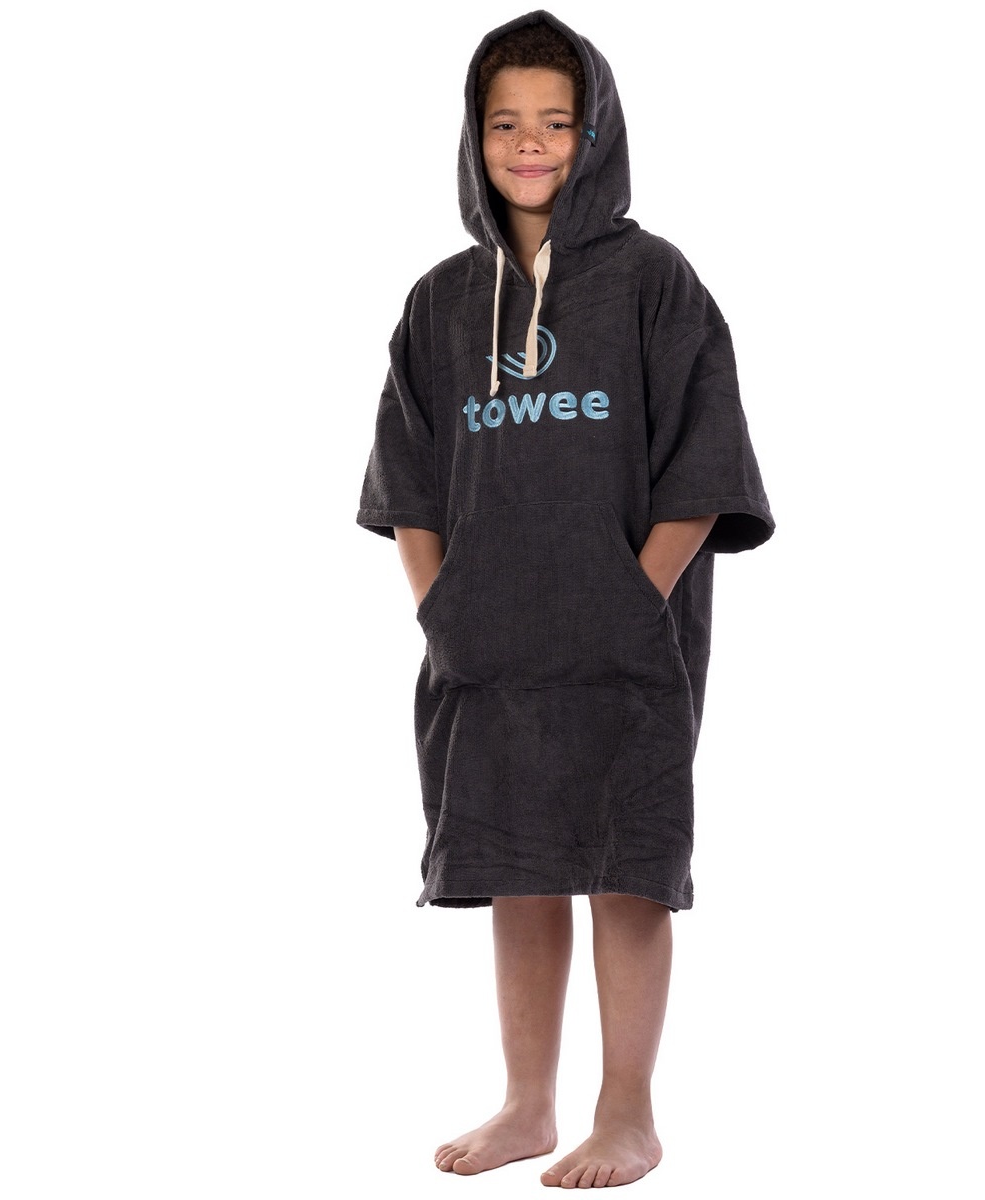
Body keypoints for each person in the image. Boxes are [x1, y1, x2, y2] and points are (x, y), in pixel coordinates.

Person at [356, 10, 774, 1188]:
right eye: (506, 124)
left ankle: (627, 1113)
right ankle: (527, 1104)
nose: (530, 143)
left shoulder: (652, 280)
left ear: (596, 136)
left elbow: (703, 463)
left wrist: (633, 599)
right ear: (474, 138)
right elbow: (410, 478)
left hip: (627, 640)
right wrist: (442, 610)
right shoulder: (441, 303)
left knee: (626, 862)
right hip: (486, 643)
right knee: (517, 859)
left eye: (555, 121)